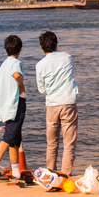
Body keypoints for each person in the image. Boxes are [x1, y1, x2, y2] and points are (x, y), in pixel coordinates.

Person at [36, 31, 78, 176]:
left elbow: (42, 90)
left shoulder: (40, 65)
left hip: (52, 105)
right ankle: (66, 176)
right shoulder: (67, 57)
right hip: (68, 103)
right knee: (69, 145)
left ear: (41, 47)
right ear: (56, 44)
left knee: (52, 144)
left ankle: (50, 174)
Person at [0, 35, 27, 182]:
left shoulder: (3, 65)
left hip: (5, 105)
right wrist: (22, 88)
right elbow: (16, 75)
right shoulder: (16, 62)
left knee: (14, 139)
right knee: (8, 138)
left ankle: (16, 173)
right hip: (15, 104)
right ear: (20, 49)